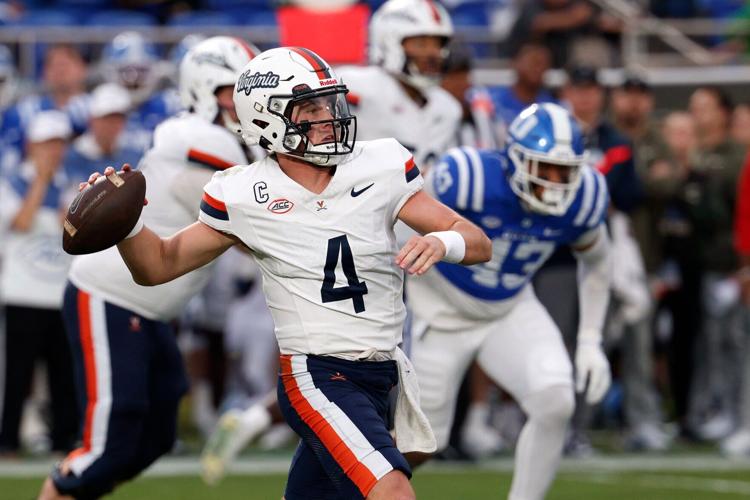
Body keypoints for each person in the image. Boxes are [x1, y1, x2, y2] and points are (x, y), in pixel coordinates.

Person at [91, 46, 490, 500]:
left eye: (328, 104)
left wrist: (443, 241)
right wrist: (127, 225)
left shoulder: (380, 165)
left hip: (383, 372)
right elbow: (158, 265)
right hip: (315, 373)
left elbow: (476, 241)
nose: (328, 117)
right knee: (391, 491)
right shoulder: (242, 193)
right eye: (310, 108)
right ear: (266, 119)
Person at [37, 36, 259, 500]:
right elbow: (252, 219)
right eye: (234, 91)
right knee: (109, 445)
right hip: (109, 296)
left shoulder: (227, 144)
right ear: (203, 90)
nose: (245, 104)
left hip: (151, 310)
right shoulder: (198, 136)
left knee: (154, 437)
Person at [407, 102, 612, 500]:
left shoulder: (584, 196)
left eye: (564, 171)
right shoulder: (467, 176)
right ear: (515, 160)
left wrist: (590, 340)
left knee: (555, 400)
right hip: (438, 310)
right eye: (544, 169)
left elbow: (599, 262)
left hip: (509, 307)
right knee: (419, 445)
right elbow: (401, 215)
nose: (554, 183)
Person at [0, 111, 78, 456]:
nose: (54, 150)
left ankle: (66, 440)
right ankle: (8, 442)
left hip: (60, 294)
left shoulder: (73, 184)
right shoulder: (12, 181)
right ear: (33, 144)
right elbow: (20, 221)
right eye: (48, 143)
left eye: (60, 143)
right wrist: (41, 182)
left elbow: (77, 234)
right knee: (16, 375)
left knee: (64, 375)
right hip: (22, 294)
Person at [336, 0, 461, 170]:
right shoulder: (354, 88)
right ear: (388, 40)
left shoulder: (447, 108)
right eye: (421, 43)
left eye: (437, 44)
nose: (433, 53)